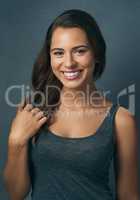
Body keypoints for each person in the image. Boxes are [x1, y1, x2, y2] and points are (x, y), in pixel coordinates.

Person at [3, 9, 139, 200]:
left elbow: (129, 195)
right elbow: (16, 193)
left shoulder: (120, 119)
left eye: (80, 51)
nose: (69, 63)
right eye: (58, 53)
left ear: (96, 54)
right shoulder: (33, 113)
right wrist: (15, 142)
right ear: (50, 58)